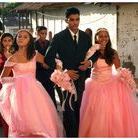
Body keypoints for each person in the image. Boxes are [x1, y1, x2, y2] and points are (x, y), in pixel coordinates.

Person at [0, 29, 64, 137]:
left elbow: (48, 63)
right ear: (16, 39)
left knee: (40, 120)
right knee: (23, 123)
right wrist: (19, 80)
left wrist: (58, 66)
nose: (21, 38)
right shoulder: (12, 58)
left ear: (29, 41)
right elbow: (3, 78)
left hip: (35, 92)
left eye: (25, 37)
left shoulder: (34, 55)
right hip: (19, 95)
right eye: (19, 36)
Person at [45, 7, 98, 137]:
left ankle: (79, 134)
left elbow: (93, 54)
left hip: (82, 79)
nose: (75, 22)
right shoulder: (59, 37)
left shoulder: (85, 37)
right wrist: (64, 72)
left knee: (79, 110)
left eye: (77, 19)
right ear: (66, 20)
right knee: (68, 111)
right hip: (65, 81)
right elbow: (48, 58)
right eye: (72, 20)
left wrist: (89, 63)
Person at [79, 28, 138, 137]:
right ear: (96, 38)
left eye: (106, 36)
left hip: (111, 84)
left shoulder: (112, 52)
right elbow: (86, 63)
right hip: (94, 85)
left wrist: (128, 80)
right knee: (95, 115)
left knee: (112, 115)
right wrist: (93, 50)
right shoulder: (91, 51)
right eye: (100, 36)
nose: (103, 38)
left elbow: (119, 69)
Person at [34, 26, 57, 108]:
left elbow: (54, 57)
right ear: (37, 33)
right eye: (41, 33)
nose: (43, 35)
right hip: (38, 73)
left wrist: (50, 66)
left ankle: (53, 109)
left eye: (45, 33)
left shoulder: (50, 43)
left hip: (49, 72)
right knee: (40, 94)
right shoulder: (33, 44)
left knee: (51, 93)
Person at [0, 33, 14, 137]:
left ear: (13, 41)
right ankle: (5, 128)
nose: (7, 42)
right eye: (5, 40)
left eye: (9, 40)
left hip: (14, 80)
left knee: (13, 106)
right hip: (1, 81)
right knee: (3, 105)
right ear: (1, 42)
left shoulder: (16, 53)